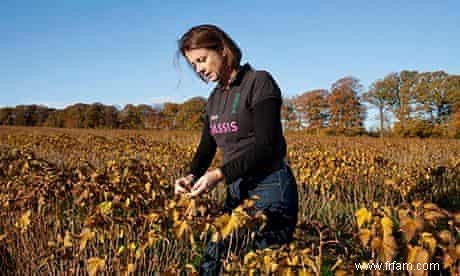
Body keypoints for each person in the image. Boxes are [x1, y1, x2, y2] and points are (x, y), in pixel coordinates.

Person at [174, 24, 298, 275]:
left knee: (265, 264)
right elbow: (206, 148)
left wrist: (218, 175)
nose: (199, 69)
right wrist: (191, 175)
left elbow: (267, 145)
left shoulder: (259, 82)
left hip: (270, 185)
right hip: (236, 188)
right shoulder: (214, 98)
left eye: (202, 60)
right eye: (193, 64)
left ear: (222, 49)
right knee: (212, 261)